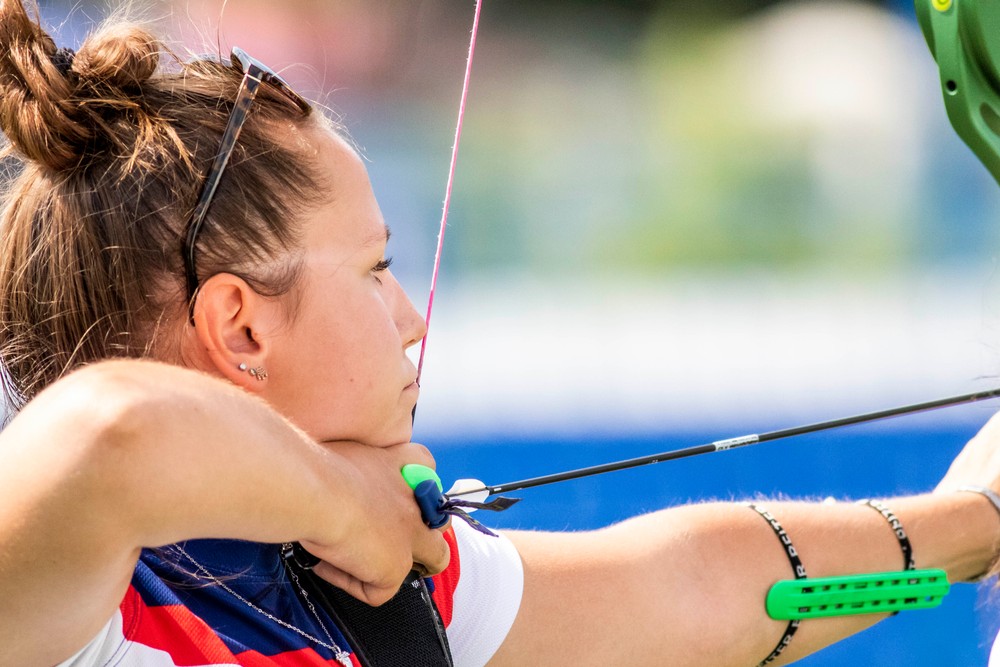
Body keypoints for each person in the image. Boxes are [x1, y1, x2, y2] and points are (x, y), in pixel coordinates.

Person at [0, 1, 999, 665]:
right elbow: (110, 434)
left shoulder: (357, 582)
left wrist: (975, 518)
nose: (411, 319)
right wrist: (349, 508)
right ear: (240, 326)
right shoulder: (69, 601)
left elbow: (700, 590)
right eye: (374, 270)